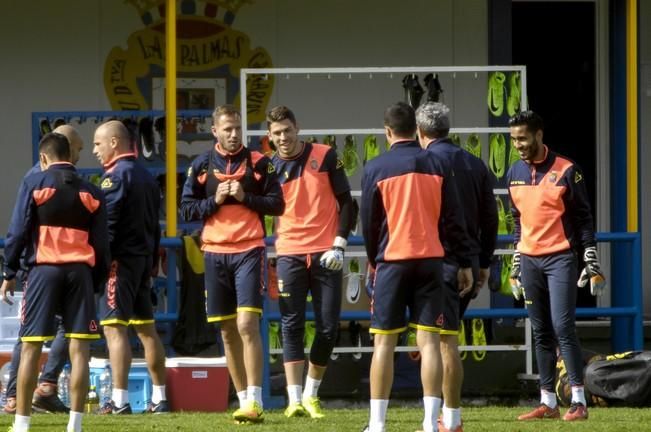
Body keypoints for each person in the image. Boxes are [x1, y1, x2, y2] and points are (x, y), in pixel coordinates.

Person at [361, 102, 473, 432]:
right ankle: (428, 423)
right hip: (431, 261)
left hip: (392, 262)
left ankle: (377, 425)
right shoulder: (438, 163)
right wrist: (464, 262)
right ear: (417, 129)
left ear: (387, 132)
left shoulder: (376, 167)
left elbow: (369, 222)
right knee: (431, 342)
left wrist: (373, 260)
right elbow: (454, 218)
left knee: (383, 343)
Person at [180, 104, 284, 424]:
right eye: (227, 129)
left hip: (249, 251)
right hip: (214, 253)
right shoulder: (200, 165)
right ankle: (242, 402)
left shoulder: (259, 162)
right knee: (227, 331)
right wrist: (216, 200)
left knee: (246, 325)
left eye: (238, 128)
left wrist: (244, 197)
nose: (234, 134)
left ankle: (255, 399)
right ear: (215, 131)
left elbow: (277, 204)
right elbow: (186, 210)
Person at [1, 132, 109, 432]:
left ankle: (21, 424)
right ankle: (75, 425)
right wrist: (96, 282)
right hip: (80, 273)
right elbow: (102, 245)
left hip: (44, 271)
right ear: (71, 156)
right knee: (79, 350)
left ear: (44, 158)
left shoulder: (34, 184)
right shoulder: (93, 192)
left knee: (32, 346)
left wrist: (9, 272)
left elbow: (17, 231)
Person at [507, 110, 606, 422]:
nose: (518, 145)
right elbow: (516, 220)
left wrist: (590, 258)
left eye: (522, 138)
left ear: (538, 135)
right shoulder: (513, 172)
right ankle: (548, 402)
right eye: (513, 139)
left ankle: (579, 402)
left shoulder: (567, 170)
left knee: (563, 326)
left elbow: (583, 219)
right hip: (530, 261)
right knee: (540, 331)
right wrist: (516, 260)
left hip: (561, 258)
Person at [266, 106, 355, 419]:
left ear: (297, 128)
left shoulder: (325, 155)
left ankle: (311, 395)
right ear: (269, 137)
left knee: (329, 327)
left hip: (326, 253)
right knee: (291, 325)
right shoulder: (268, 167)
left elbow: (347, 203)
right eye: (276, 133)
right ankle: (293, 400)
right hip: (289, 252)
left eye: (287, 130)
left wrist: (340, 245)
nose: (283, 137)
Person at [415, 102, 498, 432]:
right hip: (470, 261)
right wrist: (483, 262)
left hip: (438, 261)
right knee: (447, 339)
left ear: (421, 133)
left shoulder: (424, 163)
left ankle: (447, 419)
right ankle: (449, 417)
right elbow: (490, 218)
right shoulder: (475, 163)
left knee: (438, 342)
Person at [3, 125, 85, 415]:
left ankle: (41, 389)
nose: (76, 156)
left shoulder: (64, 181)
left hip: (50, 268)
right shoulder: (36, 180)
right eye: (76, 149)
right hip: (40, 268)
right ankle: (21, 395)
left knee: (47, 333)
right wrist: (11, 271)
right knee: (33, 335)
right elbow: (19, 228)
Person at [93, 120, 169, 414]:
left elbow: (107, 227)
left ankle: (119, 401)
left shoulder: (115, 177)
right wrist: (151, 262)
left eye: (98, 144)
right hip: (141, 264)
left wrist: (100, 265)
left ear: (114, 143)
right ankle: (160, 399)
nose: (96, 151)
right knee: (148, 331)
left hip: (119, 263)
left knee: (114, 329)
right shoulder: (148, 177)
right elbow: (155, 226)